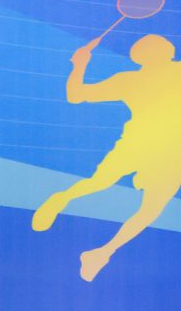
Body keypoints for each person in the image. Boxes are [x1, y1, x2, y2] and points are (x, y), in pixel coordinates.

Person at [33, 32, 181, 280]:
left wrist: (80, 63)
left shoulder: (132, 79)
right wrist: (80, 64)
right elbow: (76, 96)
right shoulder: (133, 79)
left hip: (169, 150)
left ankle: (101, 252)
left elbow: (75, 95)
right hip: (144, 144)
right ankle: (61, 200)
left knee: (147, 207)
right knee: (106, 186)